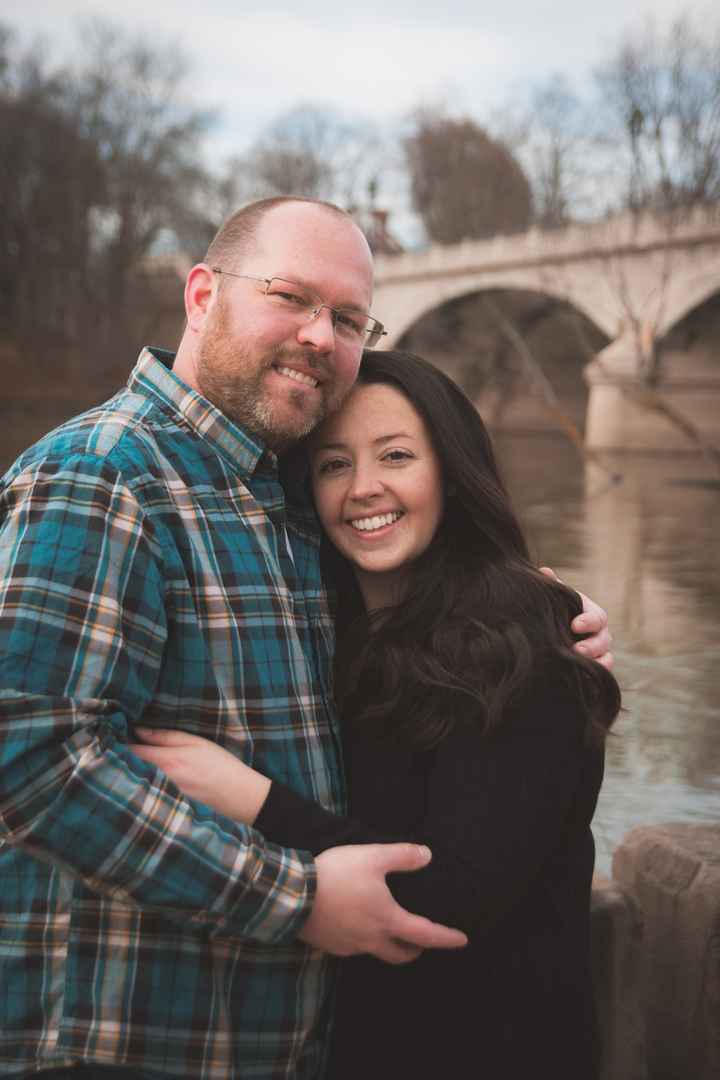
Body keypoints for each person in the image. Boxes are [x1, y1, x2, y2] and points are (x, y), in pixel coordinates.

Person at [0, 197, 612, 1080]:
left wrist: (541, 608)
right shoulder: (102, 474)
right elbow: (31, 761)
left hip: (274, 1040)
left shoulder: (273, 494)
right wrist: (299, 898)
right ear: (203, 294)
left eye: (349, 317)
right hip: (124, 1038)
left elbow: (433, 606)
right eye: (290, 296)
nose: (321, 335)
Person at [132, 349, 622, 1080]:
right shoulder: (326, 638)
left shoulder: (532, 656)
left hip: (493, 1051)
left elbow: (445, 900)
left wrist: (246, 798)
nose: (364, 489)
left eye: (395, 455)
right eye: (333, 465)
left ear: (452, 475)